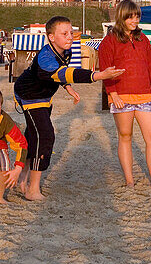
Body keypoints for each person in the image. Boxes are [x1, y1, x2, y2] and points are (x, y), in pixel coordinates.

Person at [13, 15, 124, 200]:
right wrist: (99, 75)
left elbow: (60, 75)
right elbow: (60, 72)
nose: (70, 37)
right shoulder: (46, 56)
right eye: (64, 34)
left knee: (34, 136)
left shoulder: (67, 51)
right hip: (29, 96)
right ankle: (33, 189)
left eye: (71, 33)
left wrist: (68, 87)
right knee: (45, 135)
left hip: (44, 97)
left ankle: (23, 178)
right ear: (51, 37)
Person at [98, 0, 151, 190]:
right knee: (125, 136)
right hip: (121, 96)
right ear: (122, 17)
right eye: (131, 17)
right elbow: (105, 69)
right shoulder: (109, 41)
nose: (135, 20)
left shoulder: (142, 39)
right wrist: (113, 94)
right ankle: (129, 180)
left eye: (137, 16)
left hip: (145, 94)